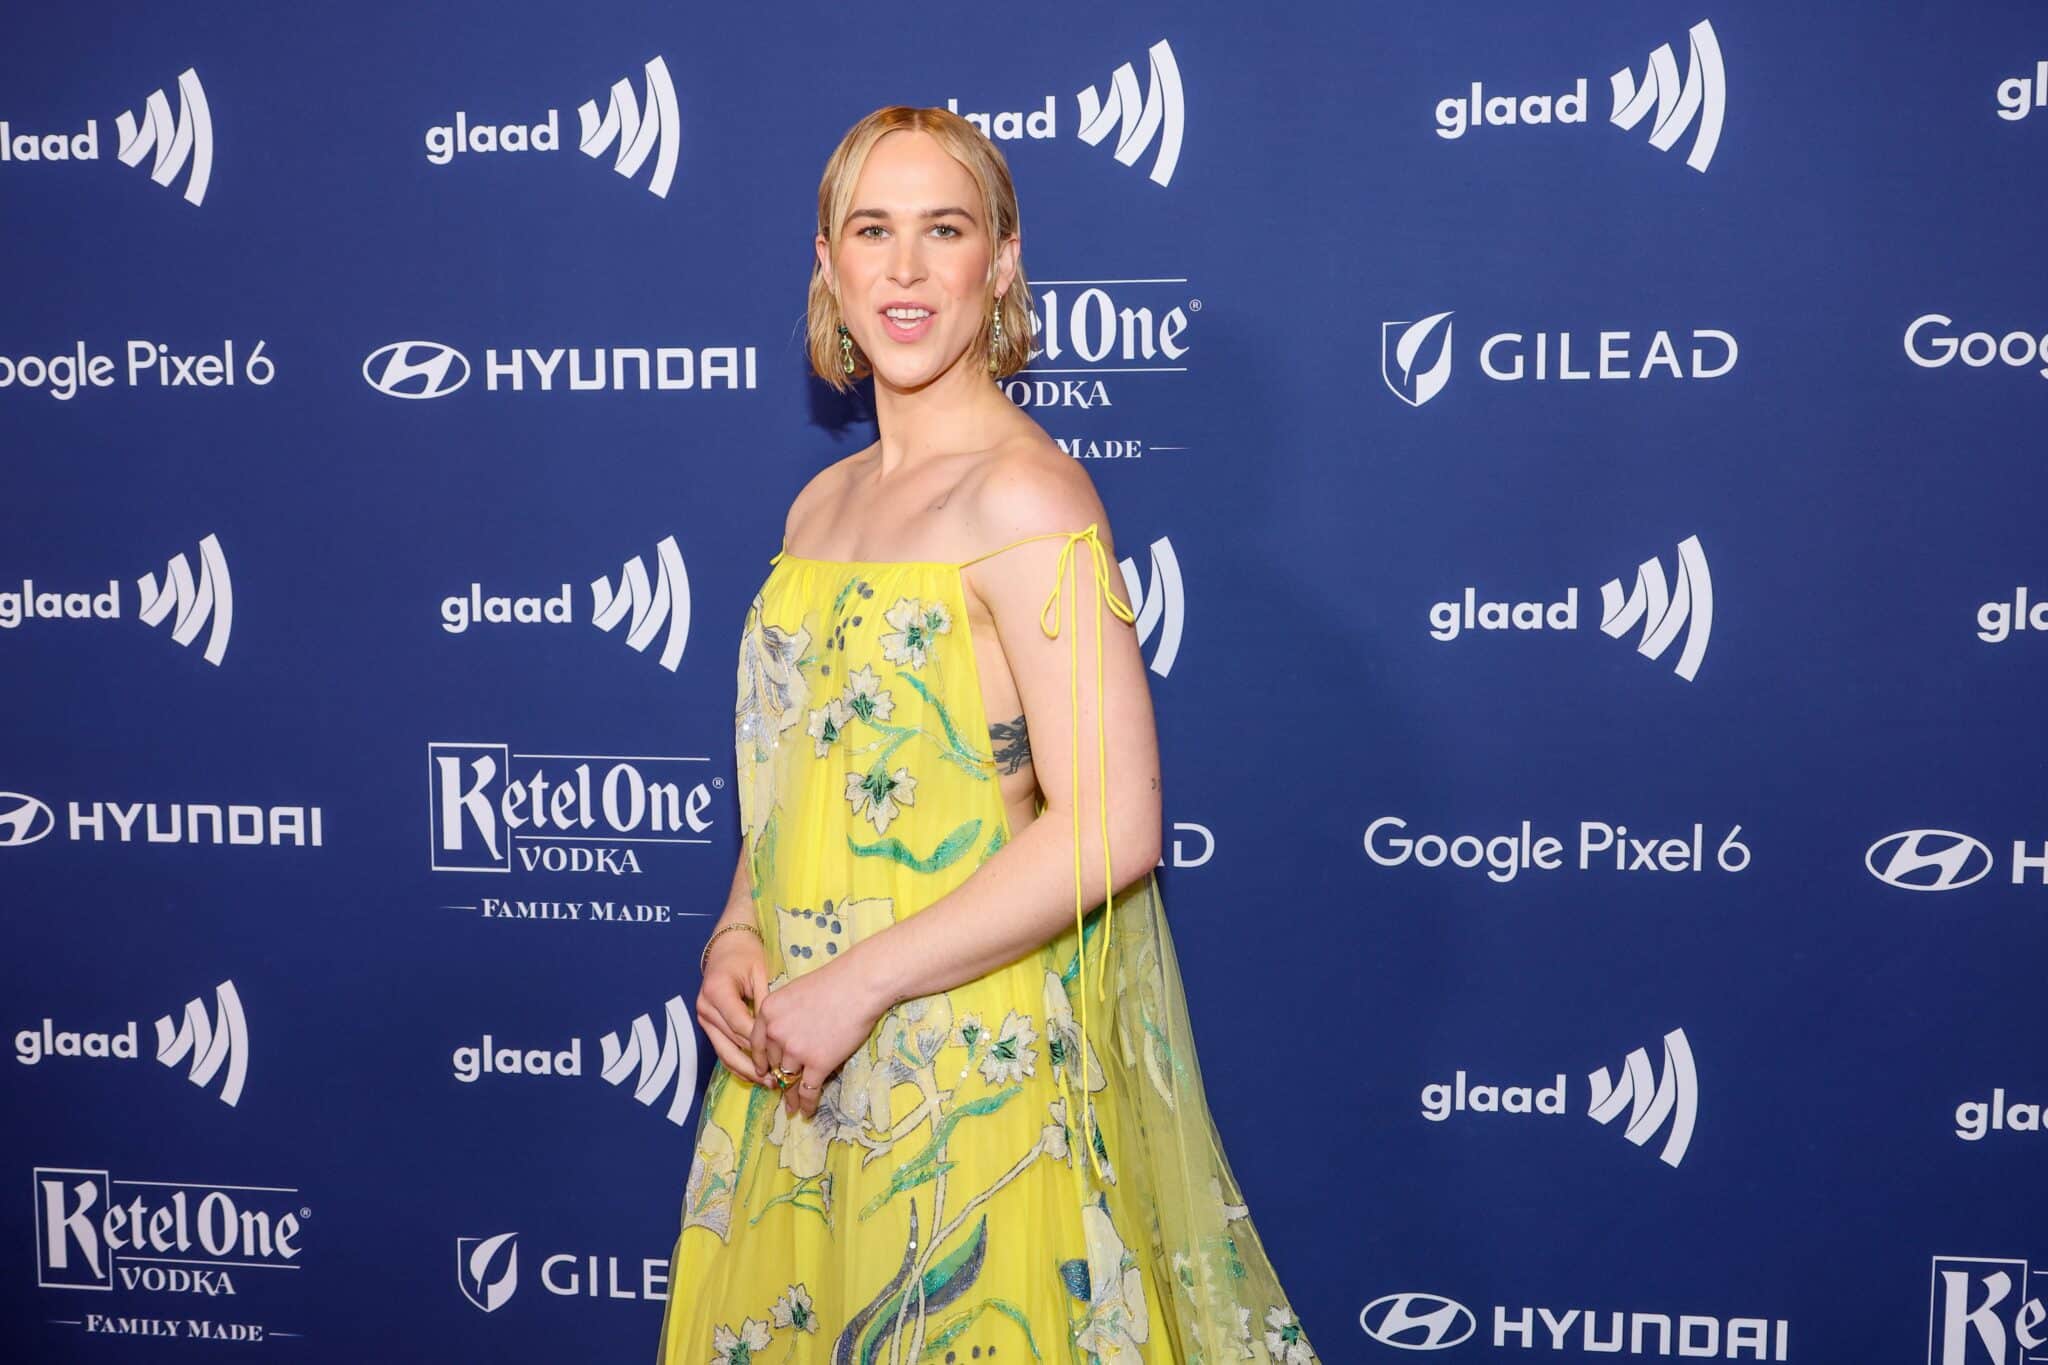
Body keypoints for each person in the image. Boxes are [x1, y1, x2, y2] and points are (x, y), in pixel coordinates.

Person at [657, 106, 1318, 1365]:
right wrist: (740, 925)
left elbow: (1115, 824)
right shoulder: (820, 503)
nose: (904, 271)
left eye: (942, 231)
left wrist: (855, 987)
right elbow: (805, 773)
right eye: (873, 231)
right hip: (795, 1061)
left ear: (1000, 263)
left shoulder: (1024, 492)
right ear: (827, 262)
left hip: (960, 1076)